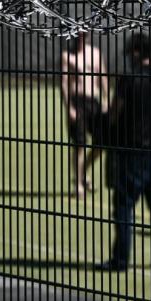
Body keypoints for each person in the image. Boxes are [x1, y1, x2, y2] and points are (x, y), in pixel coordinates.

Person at [94, 32, 151, 272]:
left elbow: (116, 112)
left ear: (137, 53)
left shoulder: (128, 80)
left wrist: (102, 121)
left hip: (132, 150)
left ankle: (120, 259)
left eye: (130, 53)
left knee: (123, 205)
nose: (128, 57)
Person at [61, 32, 109, 199]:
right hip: (77, 101)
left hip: (93, 102)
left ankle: (82, 173)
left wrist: (106, 99)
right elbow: (64, 83)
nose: (81, 39)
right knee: (79, 144)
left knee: (102, 142)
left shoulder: (95, 53)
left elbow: (102, 76)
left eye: (84, 36)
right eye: (78, 36)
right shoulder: (67, 56)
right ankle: (79, 185)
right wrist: (69, 108)